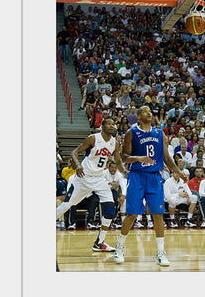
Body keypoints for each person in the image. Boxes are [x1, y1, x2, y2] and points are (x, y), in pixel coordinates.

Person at [114, 106, 189, 266]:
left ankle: (160, 252)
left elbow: (167, 158)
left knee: (158, 214)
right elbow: (124, 157)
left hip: (155, 177)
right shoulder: (131, 133)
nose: (149, 113)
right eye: (144, 111)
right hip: (136, 176)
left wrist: (178, 171)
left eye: (150, 111)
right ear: (138, 117)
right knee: (132, 214)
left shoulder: (159, 133)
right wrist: (138, 158)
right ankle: (119, 247)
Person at [55, 118, 126, 252]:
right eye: (109, 124)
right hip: (83, 178)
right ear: (102, 126)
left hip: (99, 179)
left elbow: (118, 161)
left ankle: (99, 242)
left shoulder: (114, 144)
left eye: (114, 124)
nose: (112, 126)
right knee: (66, 205)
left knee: (111, 209)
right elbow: (74, 152)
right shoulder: (93, 138)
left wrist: (126, 172)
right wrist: (77, 165)